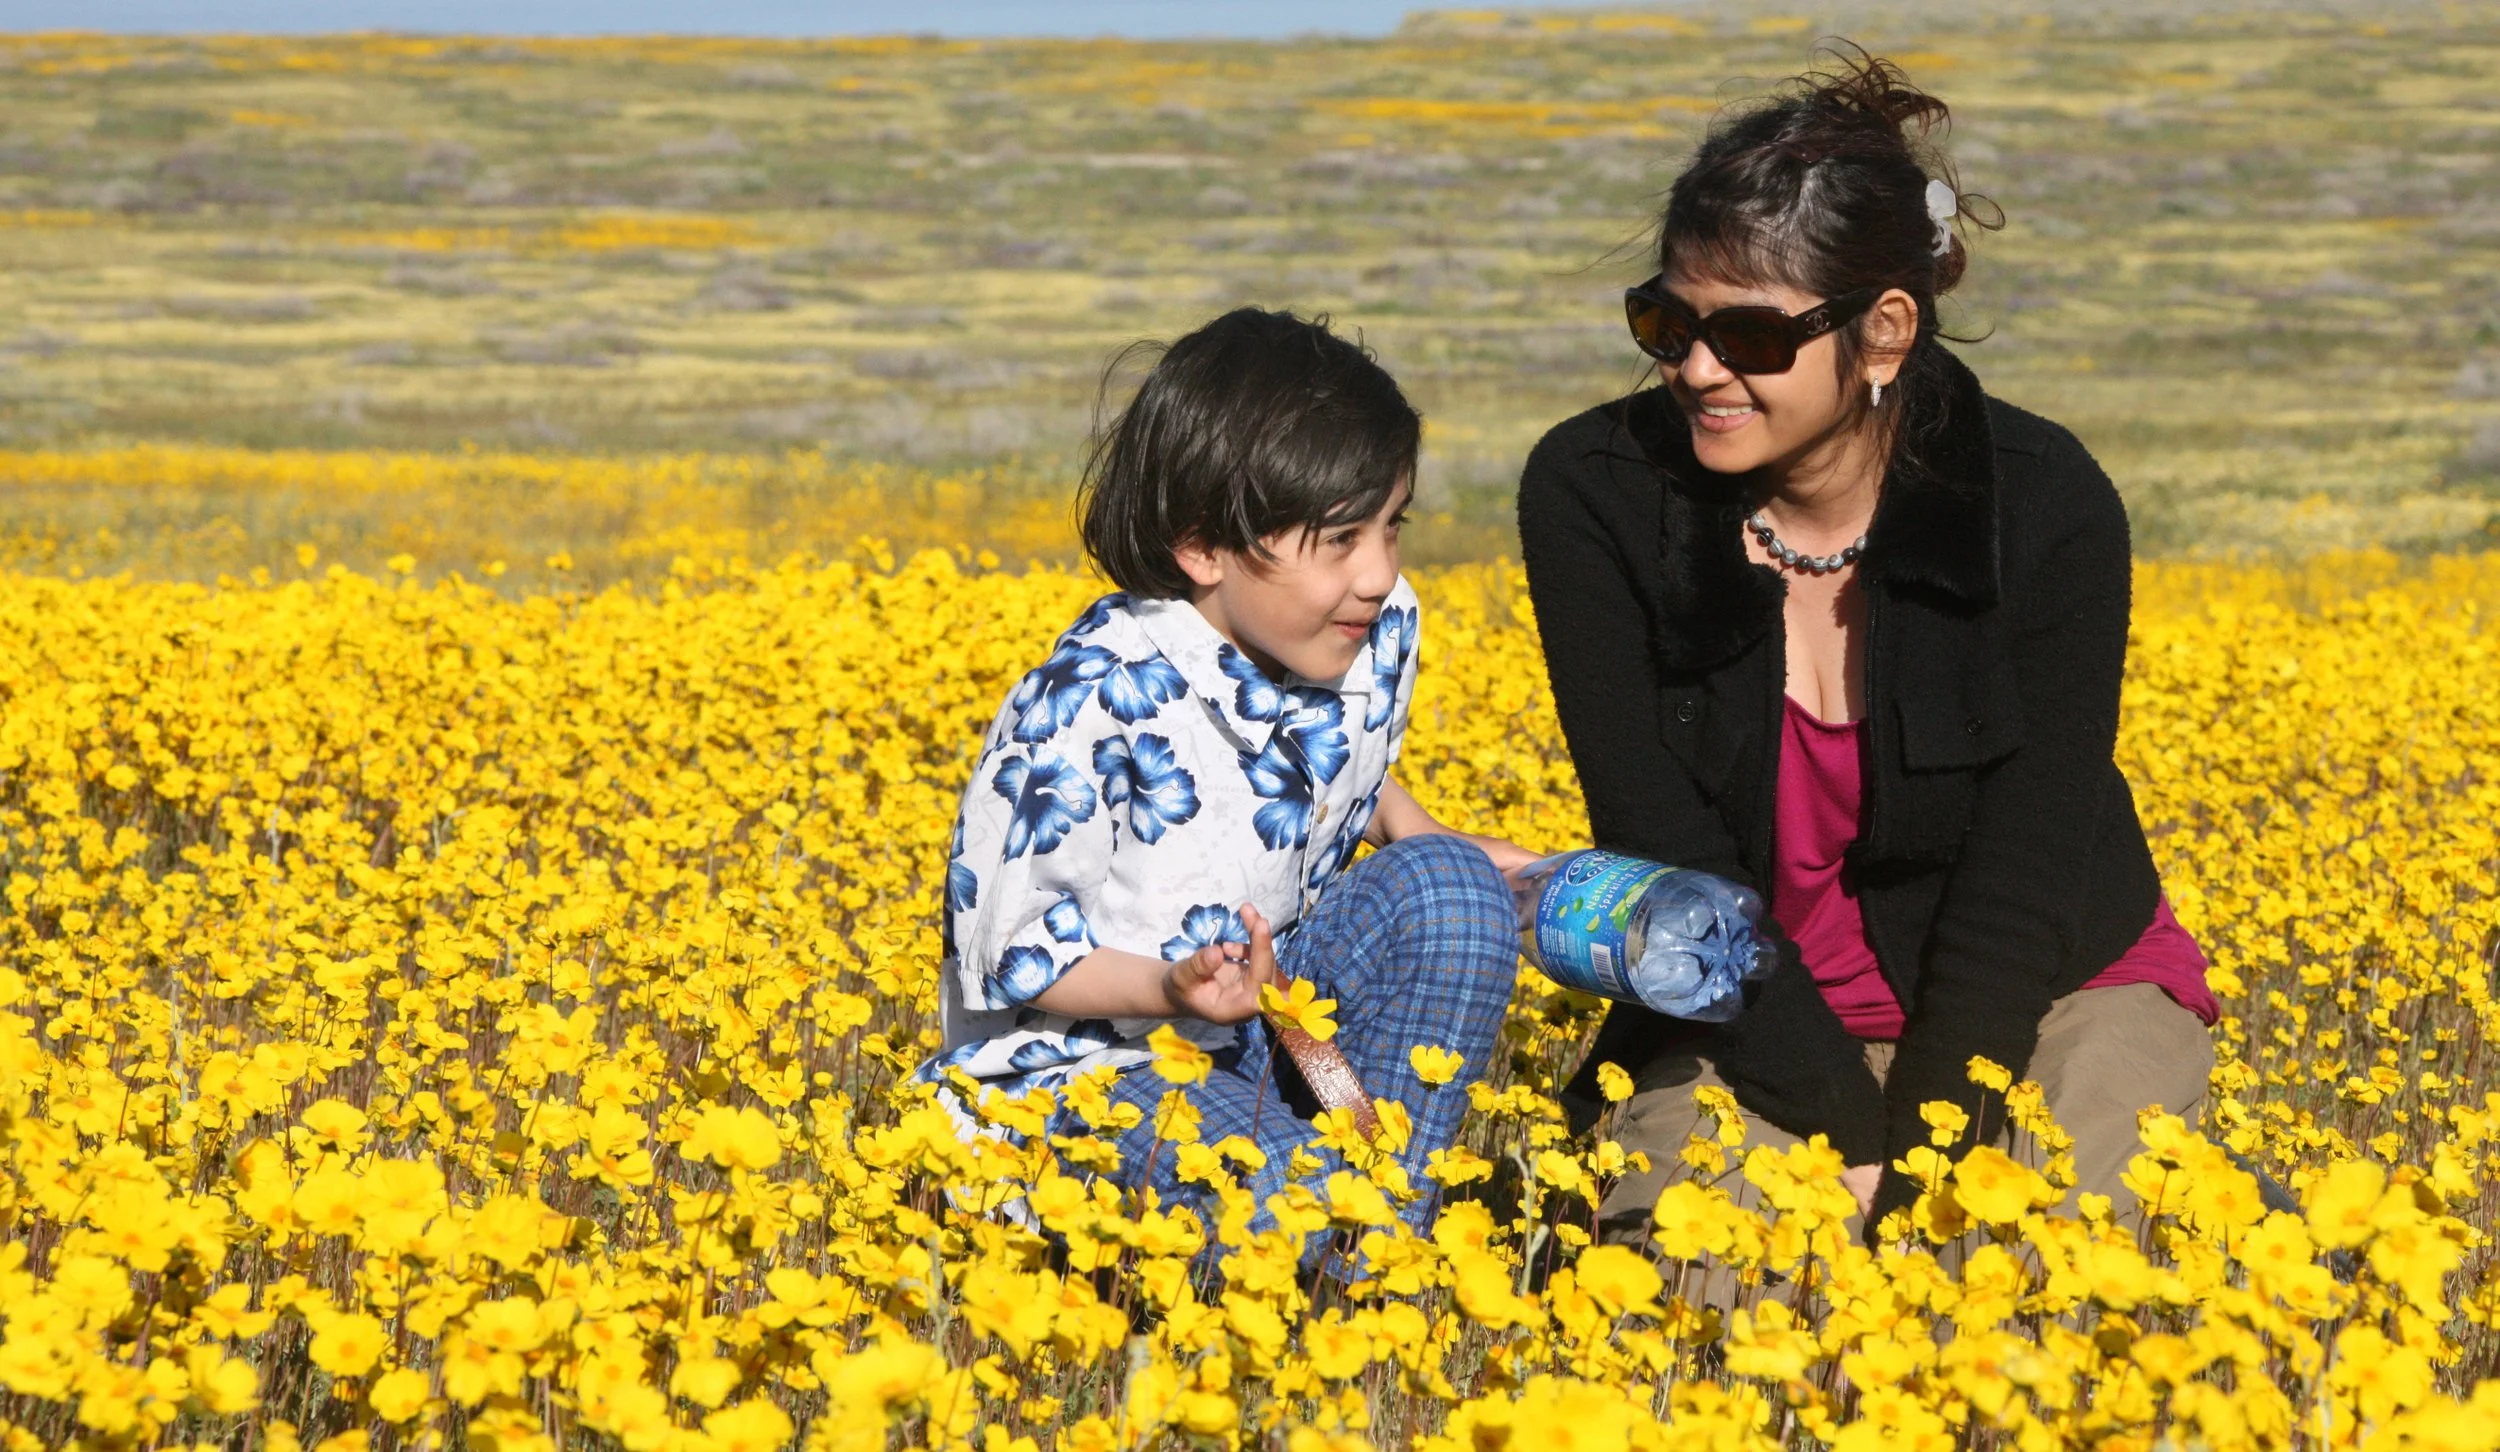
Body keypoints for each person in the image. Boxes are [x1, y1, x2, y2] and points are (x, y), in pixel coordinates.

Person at [1516, 49, 2218, 1243]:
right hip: (1742, 1011)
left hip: (2049, 991)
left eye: (1746, 334)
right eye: (1666, 321)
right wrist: (1839, 1126)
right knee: (1699, 1310)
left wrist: (1924, 1152)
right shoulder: (1597, 492)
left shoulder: (2044, 504)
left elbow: (2028, 861)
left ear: (1884, 330)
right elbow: (1664, 848)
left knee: (2069, 1280)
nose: (1695, 369)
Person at [922, 307, 1535, 1261]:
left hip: (1273, 1028)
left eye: (1392, 527)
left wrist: (1432, 842)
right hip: (1095, 1064)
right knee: (1283, 1195)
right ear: (1204, 547)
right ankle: (1356, 1254)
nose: (1378, 575)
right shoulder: (1093, 700)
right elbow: (1012, 956)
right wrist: (1173, 991)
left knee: (1455, 895)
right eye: (1340, 541)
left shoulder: (1364, 629)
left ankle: (1375, 1220)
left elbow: (1331, 764)